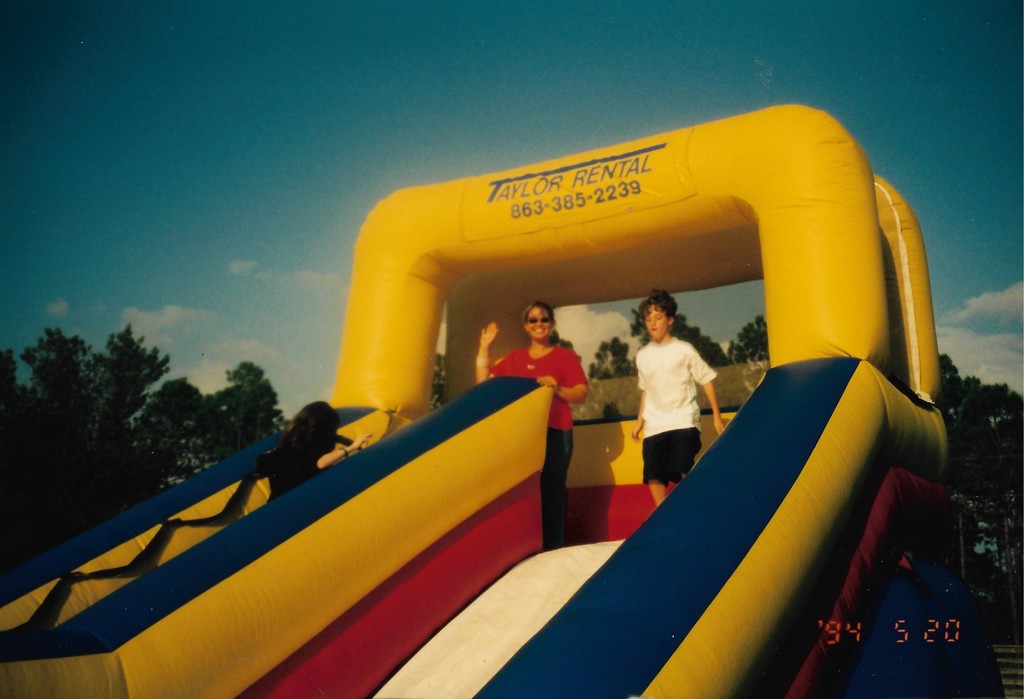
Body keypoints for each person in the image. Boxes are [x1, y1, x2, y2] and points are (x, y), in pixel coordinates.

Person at [476, 301, 588, 550]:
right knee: (521, 491)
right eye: (534, 320)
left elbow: (581, 393)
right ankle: (524, 547)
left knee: (552, 488)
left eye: (544, 319)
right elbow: (483, 387)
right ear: (525, 326)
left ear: (552, 324)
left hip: (556, 431)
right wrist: (484, 347)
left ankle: (553, 548)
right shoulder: (514, 359)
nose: (539, 324)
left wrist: (557, 388)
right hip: (522, 435)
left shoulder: (565, 357)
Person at [630, 290, 725, 506]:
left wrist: (716, 417)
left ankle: (692, 509)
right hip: (655, 425)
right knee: (653, 474)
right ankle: (661, 514)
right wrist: (639, 421)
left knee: (682, 468)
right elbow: (646, 389)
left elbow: (706, 379)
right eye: (648, 319)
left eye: (658, 317)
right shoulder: (643, 355)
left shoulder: (684, 350)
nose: (653, 323)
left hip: (683, 420)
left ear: (670, 320)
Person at [255, 401, 371, 501]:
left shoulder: (287, 447)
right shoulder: (310, 449)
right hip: (298, 504)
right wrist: (351, 448)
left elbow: (261, 463)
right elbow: (321, 463)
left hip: (277, 504)